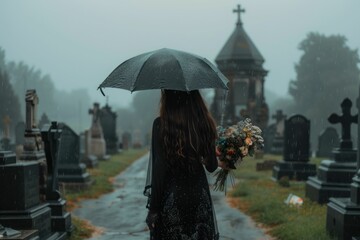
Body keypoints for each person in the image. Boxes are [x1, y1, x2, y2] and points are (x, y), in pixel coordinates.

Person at [144, 89, 221, 240]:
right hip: (199, 197)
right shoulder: (205, 123)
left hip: (172, 198)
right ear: (194, 96)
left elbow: (159, 170)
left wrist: (153, 210)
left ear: (168, 97)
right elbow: (212, 166)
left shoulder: (161, 124)